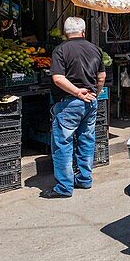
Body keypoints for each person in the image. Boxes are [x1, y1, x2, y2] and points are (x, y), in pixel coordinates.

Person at [43, 16, 106, 199]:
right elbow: (101, 76)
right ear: (84, 32)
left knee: (63, 144)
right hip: (90, 102)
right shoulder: (95, 49)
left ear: (65, 33)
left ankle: (64, 187)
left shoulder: (61, 50)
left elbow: (58, 78)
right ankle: (85, 178)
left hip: (69, 103)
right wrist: (95, 92)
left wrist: (78, 92)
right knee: (86, 139)